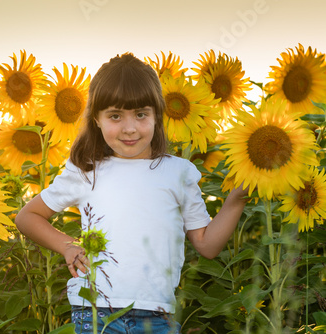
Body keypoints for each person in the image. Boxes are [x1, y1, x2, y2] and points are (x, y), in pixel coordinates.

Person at [15, 52, 249, 334]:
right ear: (97, 120)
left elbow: (207, 245)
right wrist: (67, 246)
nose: (129, 128)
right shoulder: (87, 170)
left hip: (157, 316)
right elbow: (28, 217)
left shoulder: (179, 173)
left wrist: (236, 200)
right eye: (115, 116)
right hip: (96, 312)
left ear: (157, 116)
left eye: (141, 114)